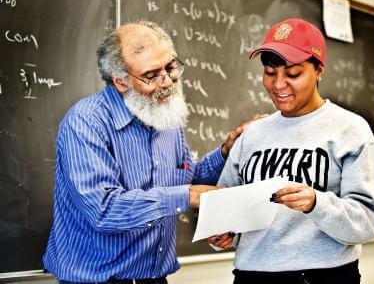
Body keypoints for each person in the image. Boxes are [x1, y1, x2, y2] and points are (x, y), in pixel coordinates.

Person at [43, 21, 258, 284]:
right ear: (121, 81)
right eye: (151, 75)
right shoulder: (86, 122)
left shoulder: (166, 117)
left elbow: (187, 180)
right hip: (98, 280)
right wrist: (187, 195)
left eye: (170, 67)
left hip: (155, 278)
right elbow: (104, 210)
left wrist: (227, 149)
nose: (167, 81)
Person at [207, 18, 374, 284]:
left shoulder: (349, 129)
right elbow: (226, 209)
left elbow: (369, 219)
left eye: (292, 74)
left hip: (322, 277)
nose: (278, 85)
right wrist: (225, 232)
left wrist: (317, 203)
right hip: (251, 276)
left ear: (319, 71)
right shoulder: (252, 134)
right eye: (270, 72)